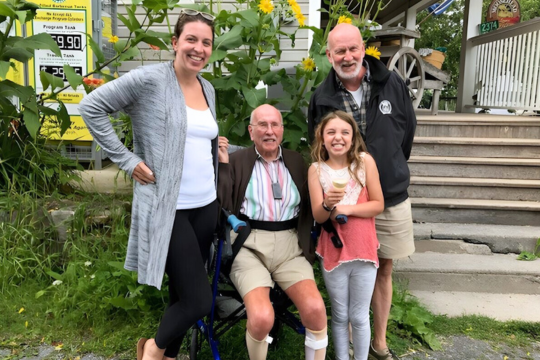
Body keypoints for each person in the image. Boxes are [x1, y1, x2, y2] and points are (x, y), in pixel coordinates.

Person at [79, 9, 221, 360]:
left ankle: (169, 356)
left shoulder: (208, 88)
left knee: (181, 293)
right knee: (199, 300)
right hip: (167, 207)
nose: (198, 48)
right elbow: (91, 106)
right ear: (174, 42)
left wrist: (216, 145)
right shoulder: (150, 80)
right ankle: (152, 351)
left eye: (206, 42)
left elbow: (191, 136)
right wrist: (127, 160)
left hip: (205, 205)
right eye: (191, 39)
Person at [308, 23, 417, 360]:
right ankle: (353, 337)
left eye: (353, 48)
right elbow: (318, 144)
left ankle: (378, 342)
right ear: (329, 55)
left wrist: (391, 166)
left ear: (363, 48)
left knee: (384, 267)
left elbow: (408, 130)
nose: (347, 56)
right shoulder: (321, 97)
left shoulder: (391, 83)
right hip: (344, 200)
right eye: (339, 51)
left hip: (389, 195)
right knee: (350, 264)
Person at [217, 104, 328, 360]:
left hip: (290, 245)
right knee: (262, 317)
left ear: (282, 130)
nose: (269, 131)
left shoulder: (296, 161)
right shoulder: (236, 161)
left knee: (315, 309)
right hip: (249, 245)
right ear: (251, 131)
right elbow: (221, 206)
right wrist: (223, 165)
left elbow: (312, 204)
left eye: (274, 125)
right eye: (262, 125)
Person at [308, 110, 384, 360]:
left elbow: (378, 204)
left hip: (363, 249)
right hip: (334, 250)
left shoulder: (364, 163)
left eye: (344, 132)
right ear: (322, 137)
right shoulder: (316, 170)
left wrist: (346, 209)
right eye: (331, 132)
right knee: (340, 315)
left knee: (360, 316)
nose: (337, 137)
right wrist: (328, 204)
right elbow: (319, 216)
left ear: (353, 138)